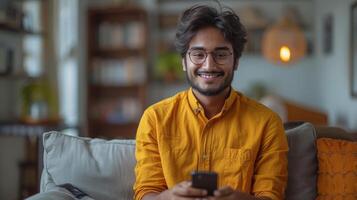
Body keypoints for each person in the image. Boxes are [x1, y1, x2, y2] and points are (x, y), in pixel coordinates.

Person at [134, 3, 288, 200]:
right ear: (183, 61)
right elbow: (145, 193)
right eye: (198, 54)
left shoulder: (267, 123)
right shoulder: (155, 119)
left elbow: (271, 196)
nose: (209, 65)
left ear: (236, 61)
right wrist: (168, 197)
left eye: (221, 54)